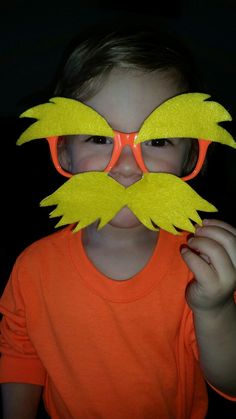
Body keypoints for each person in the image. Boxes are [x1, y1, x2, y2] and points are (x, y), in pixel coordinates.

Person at [0, 20, 236, 419]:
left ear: (191, 157)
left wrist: (214, 310)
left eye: (157, 141)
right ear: (64, 151)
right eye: (99, 138)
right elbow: (21, 353)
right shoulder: (32, 270)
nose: (127, 168)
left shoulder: (200, 269)